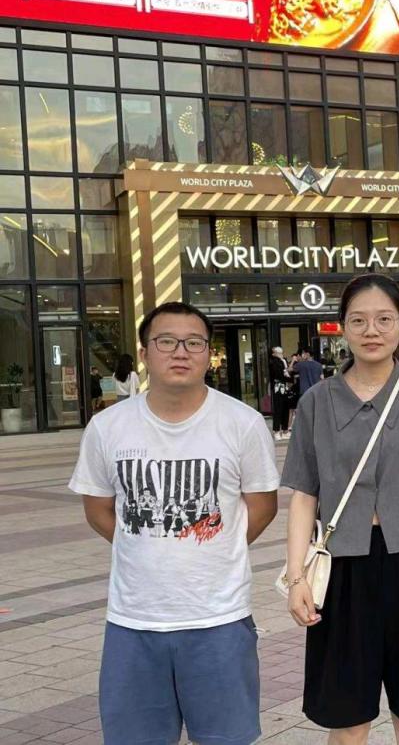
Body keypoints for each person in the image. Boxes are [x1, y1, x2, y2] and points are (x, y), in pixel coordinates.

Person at [69, 301, 279, 745]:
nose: (180, 352)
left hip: (219, 619)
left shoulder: (242, 423)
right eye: (166, 341)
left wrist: (212, 544)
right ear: (145, 352)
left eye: (194, 343)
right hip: (133, 622)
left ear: (208, 353)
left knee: (226, 738)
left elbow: (262, 506)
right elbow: (98, 509)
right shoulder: (107, 427)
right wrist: (146, 544)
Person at [282, 273, 399, 744]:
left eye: (384, 319)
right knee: (347, 722)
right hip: (342, 570)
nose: (372, 330)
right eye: (358, 320)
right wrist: (296, 578)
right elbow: (304, 495)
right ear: (342, 328)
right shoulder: (317, 402)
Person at [269, 346, 291, 441]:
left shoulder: (283, 361)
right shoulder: (274, 362)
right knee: (278, 409)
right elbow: (279, 374)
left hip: (284, 387)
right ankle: (277, 431)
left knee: (285, 408)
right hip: (278, 387)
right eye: (279, 353)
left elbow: (286, 373)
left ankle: (284, 430)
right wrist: (288, 378)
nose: (280, 354)